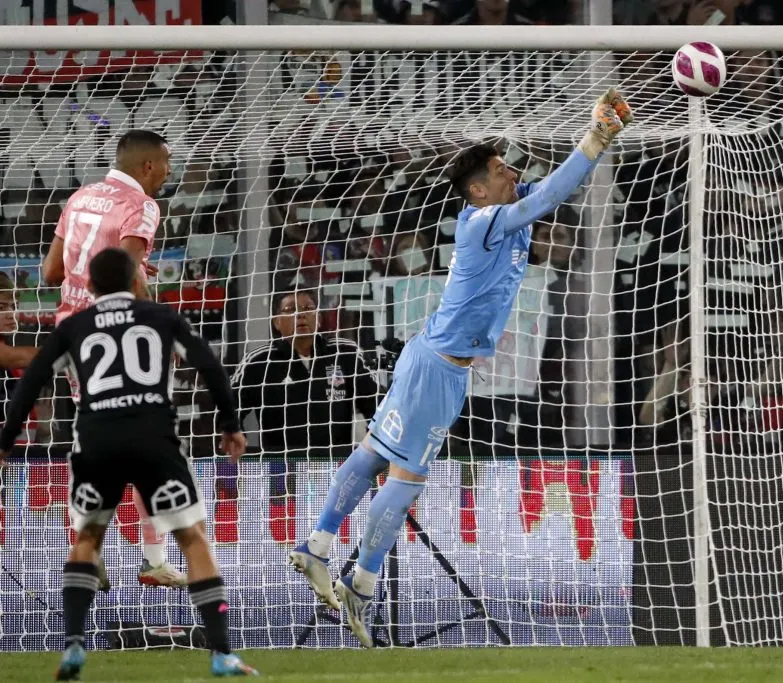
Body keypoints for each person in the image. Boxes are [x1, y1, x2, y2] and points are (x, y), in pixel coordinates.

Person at [287, 88, 633, 647]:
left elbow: (538, 196)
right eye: (500, 169)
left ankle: (318, 546)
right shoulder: (480, 220)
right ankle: (363, 583)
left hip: (432, 358)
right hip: (438, 368)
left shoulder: (506, 223)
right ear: (477, 190)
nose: (511, 171)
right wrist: (594, 139)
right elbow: (544, 195)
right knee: (405, 479)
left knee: (375, 450)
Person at [0, 248, 257, 679]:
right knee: (193, 539)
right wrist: (230, 424)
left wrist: (5, 440)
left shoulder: (74, 325)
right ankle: (221, 653)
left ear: (92, 287)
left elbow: (34, 381)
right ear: (136, 279)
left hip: (97, 439)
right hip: (154, 437)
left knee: (87, 539)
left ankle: (74, 647)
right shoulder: (161, 317)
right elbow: (210, 364)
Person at [40, 129, 184, 587]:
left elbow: (51, 272)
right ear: (146, 166)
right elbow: (124, 277)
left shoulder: (80, 196)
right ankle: (151, 558)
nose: (168, 171)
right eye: (165, 162)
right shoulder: (140, 205)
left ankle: (90, 552)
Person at [230, 290, 381, 542]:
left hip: (335, 466)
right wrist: (239, 441)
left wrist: (371, 445)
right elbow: (228, 411)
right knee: (283, 540)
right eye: (290, 310)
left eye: (308, 307)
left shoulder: (345, 353)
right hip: (281, 471)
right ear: (277, 322)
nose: (301, 314)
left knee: (337, 539)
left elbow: (376, 405)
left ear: (319, 318)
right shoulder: (258, 362)